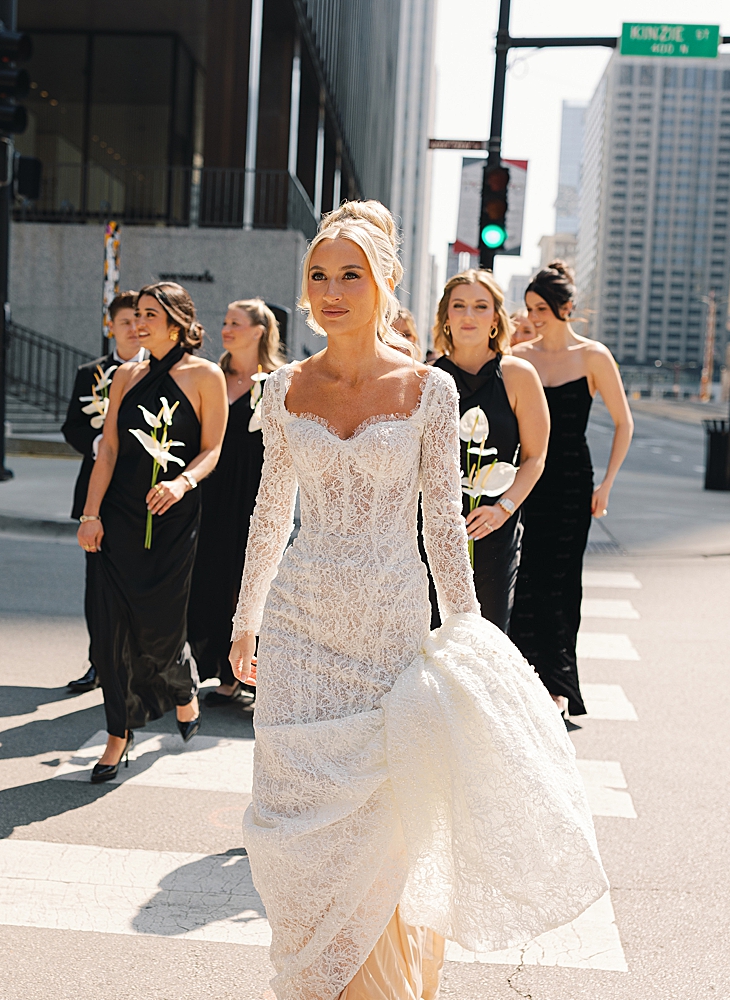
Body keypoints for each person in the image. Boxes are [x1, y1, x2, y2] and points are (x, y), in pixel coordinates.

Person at [228, 202, 607, 1000]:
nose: (332, 292)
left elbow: (443, 529)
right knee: (295, 822)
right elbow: (270, 512)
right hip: (300, 627)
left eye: (351, 276)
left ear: (385, 283)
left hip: (390, 628)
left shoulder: (430, 391)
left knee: (379, 824)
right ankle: (315, 979)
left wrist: (465, 636)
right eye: (319, 277)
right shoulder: (283, 387)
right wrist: (245, 618)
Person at [76, 282, 228, 782]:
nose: (138, 323)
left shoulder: (206, 375)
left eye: (149, 315)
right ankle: (118, 734)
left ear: (177, 321)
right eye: (136, 314)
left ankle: (182, 687)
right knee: (108, 632)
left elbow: (212, 450)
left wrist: (182, 482)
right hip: (118, 515)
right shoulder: (125, 374)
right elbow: (111, 451)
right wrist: (90, 514)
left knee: (160, 634)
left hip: (172, 519)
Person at [510, 261, 633, 726]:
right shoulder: (521, 355)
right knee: (522, 580)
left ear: (564, 308)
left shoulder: (593, 357)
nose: (534, 317)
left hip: (571, 483)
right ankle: (522, 679)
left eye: (541, 308)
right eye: (529, 309)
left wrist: (606, 483)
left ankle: (558, 688)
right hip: (526, 478)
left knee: (561, 584)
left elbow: (624, 423)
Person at [432, 269, 550, 632]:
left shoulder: (518, 375)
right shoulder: (427, 377)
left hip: (494, 528)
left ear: (496, 319)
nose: (469, 315)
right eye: (459, 306)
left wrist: (503, 509)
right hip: (436, 530)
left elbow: (535, 457)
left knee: (488, 635)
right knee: (433, 638)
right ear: (446, 318)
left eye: (480, 306)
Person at [191, 298, 286, 707]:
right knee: (208, 577)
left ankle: (247, 674)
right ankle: (213, 666)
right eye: (225, 321)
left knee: (247, 581)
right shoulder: (212, 375)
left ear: (258, 331)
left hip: (253, 492)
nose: (226, 329)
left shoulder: (280, 379)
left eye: (235, 323)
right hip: (211, 492)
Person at [62, 292, 146, 694]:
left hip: (143, 492)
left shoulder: (160, 371)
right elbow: (72, 427)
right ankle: (99, 662)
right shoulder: (90, 373)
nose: (134, 328)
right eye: (125, 321)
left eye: (140, 320)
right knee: (97, 583)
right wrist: (101, 444)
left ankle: (138, 663)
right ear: (111, 326)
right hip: (98, 491)